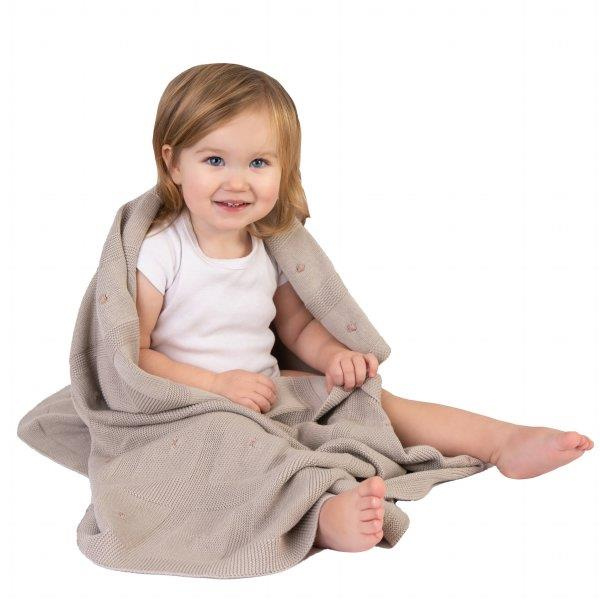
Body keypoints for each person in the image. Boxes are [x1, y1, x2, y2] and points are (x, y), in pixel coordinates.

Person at [135, 63, 594, 554]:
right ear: (173, 163)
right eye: (214, 160)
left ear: (284, 168)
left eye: (258, 163)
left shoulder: (270, 245)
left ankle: (501, 441)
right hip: (189, 406)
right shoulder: (162, 250)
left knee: (369, 400)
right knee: (244, 453)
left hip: (266, 389)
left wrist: (334, 355)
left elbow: (296, 326)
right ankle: (324, 517)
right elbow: (133, 355)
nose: (238, 182)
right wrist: (216, 386)